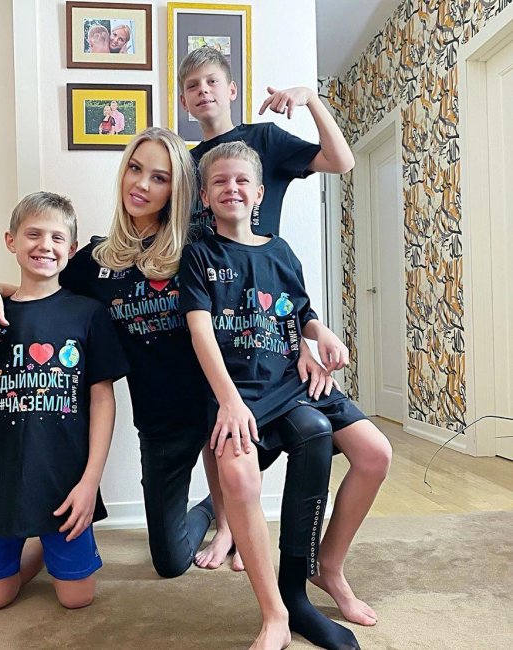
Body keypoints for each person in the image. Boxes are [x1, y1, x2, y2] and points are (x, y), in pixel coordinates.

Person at [178, 46, 391, 627]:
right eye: (192, 85)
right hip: (229, 346)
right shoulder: (186, 168)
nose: (203, 91)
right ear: (204, 193)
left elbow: (340, 161)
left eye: (213, 81)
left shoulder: (264, 143)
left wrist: (308, 338)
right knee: (227, 441)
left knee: (374, 452)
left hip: (279, 339)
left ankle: (328, 566)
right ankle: (229, 529)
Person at [0, 128, 218, 580]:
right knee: (170, 562)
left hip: (221, 401)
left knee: (300, 440)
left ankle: (232, 522)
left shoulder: (197, 249)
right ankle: (210, 511)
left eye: (159, 177)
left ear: (176, 189)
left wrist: (306, 338)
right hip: (164, 420)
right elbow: (40, 291)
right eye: (135, 169)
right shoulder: (96, 259)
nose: (141, 184)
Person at [180, 142, 360, 650]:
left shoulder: (281, 250)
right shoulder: (198, 256)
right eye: (219, 182)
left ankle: (317, 574)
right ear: (204, 196)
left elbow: (297, 313)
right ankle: (275, 613)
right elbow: (200, 332)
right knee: (239, 476)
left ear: (259, 193)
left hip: (285, 384)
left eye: (242, 181)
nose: (231, 189)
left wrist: (319, 335)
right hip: (234, 393)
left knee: (358, 446)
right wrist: (229, 401)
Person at [0, 192, 129, 610]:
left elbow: (103, 401)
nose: (45, 245)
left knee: (77, 598)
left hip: (64, 481)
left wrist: (90, 482)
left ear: (72, 249)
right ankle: (39, 551)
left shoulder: (88, 314)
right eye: (33, 234)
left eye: (57, 238)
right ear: (11, 241)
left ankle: (51, 546)